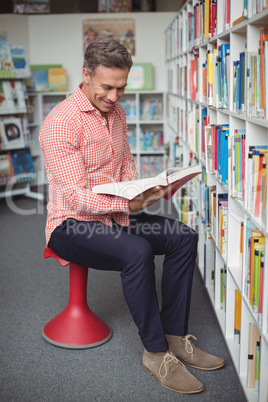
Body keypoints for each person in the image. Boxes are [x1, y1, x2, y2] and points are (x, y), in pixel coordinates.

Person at [39, 37, 225, 395]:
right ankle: (156, 353)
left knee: (183, 236)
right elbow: (76, 196)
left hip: (113, 215)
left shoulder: (118, 113)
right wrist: (127, 204)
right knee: (137, 251)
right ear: (86, 75)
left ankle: (174, 336)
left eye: (121, 88)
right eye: (106, 87)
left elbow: (125, 163)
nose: (114, 97)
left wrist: (140, 188)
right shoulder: (60, 123)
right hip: (70, 224)